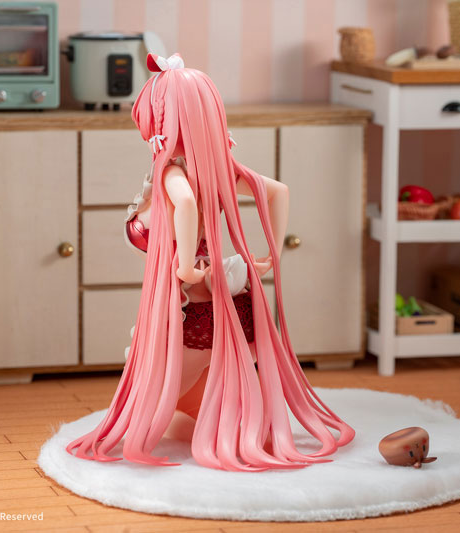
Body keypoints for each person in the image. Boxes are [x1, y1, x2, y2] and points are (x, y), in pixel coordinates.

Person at [65, 53, 354, 472]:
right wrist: (270, 255)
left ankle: (237, 434)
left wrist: (185, 265)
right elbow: (279, 191)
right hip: (230, 307)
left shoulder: (175, 173)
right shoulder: (219, 170)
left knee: (152, 394)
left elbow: (184, 204)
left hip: (193, 315)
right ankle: (242, 430)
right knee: (193, 397)